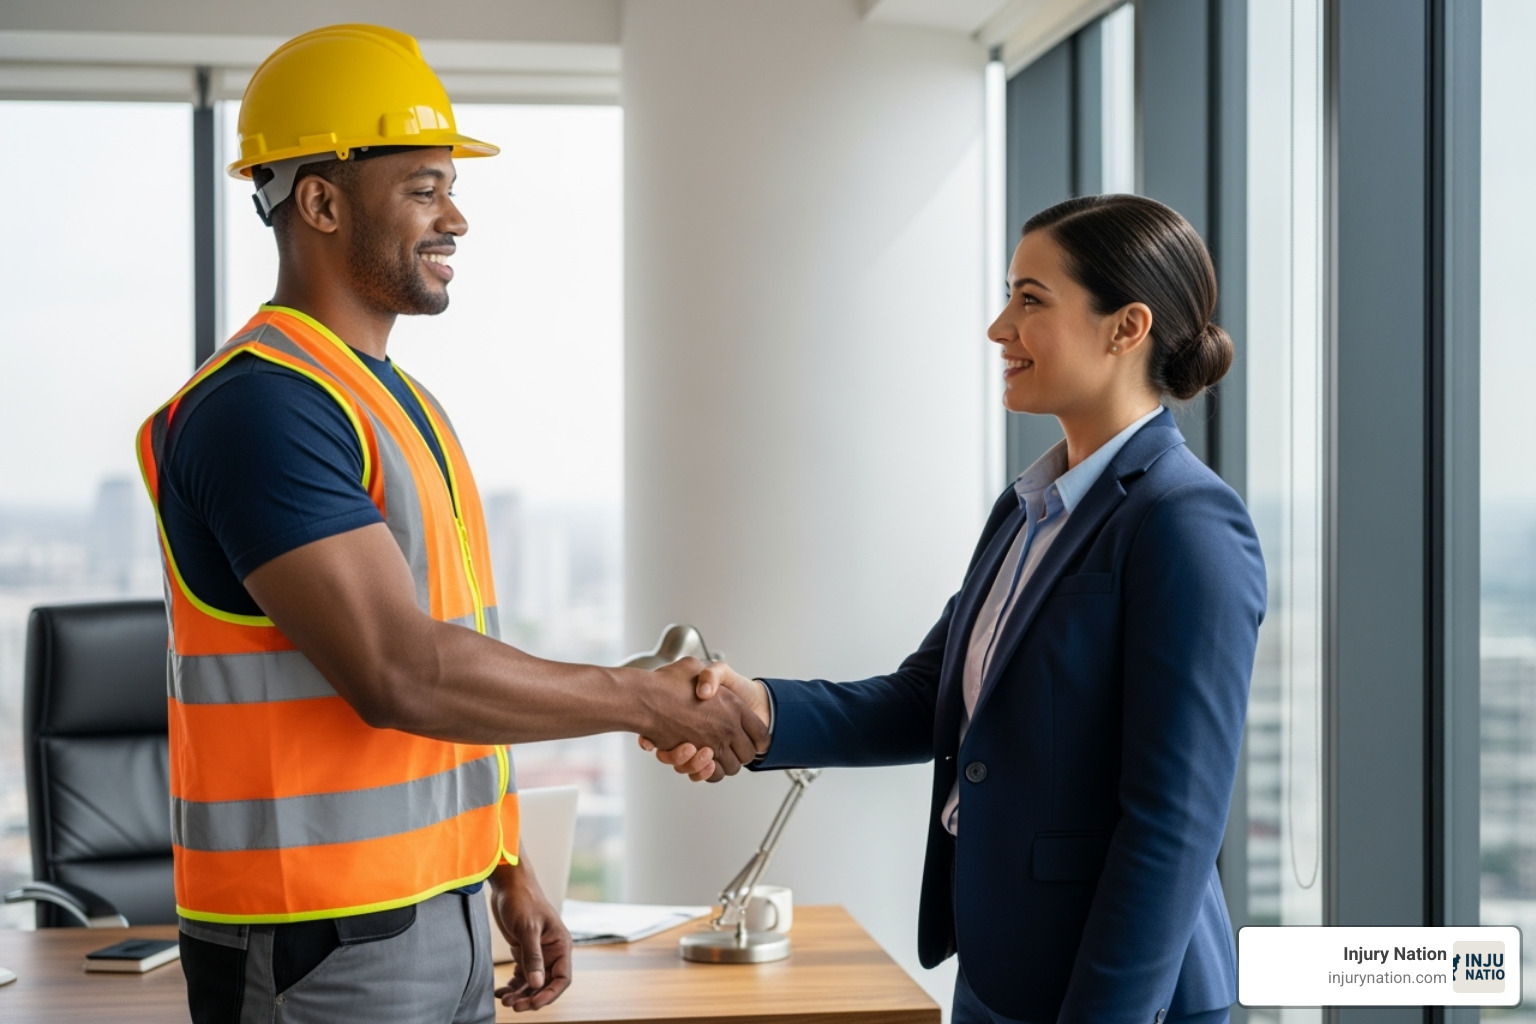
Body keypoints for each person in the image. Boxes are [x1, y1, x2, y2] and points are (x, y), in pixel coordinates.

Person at [137, 24, 766, 1024]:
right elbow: (401, 669)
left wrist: (502, 857)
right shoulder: (262, 408)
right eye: (425, 187)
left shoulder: (396, 405)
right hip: (318, 942)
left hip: (430, 915)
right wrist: (644, 700)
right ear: (321, 200)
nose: (457, 217)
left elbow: (455, 649)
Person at [646, 194, 1266, 1023]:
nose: (999, 328)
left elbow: (1173, 824)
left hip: (1117, 996)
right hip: (1000, 975)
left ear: (1127, 327)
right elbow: (928, 697)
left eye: (1031, 300)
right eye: (1010, 295)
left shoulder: (1186, 523)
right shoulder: (1028, 510)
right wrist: (753, 709)